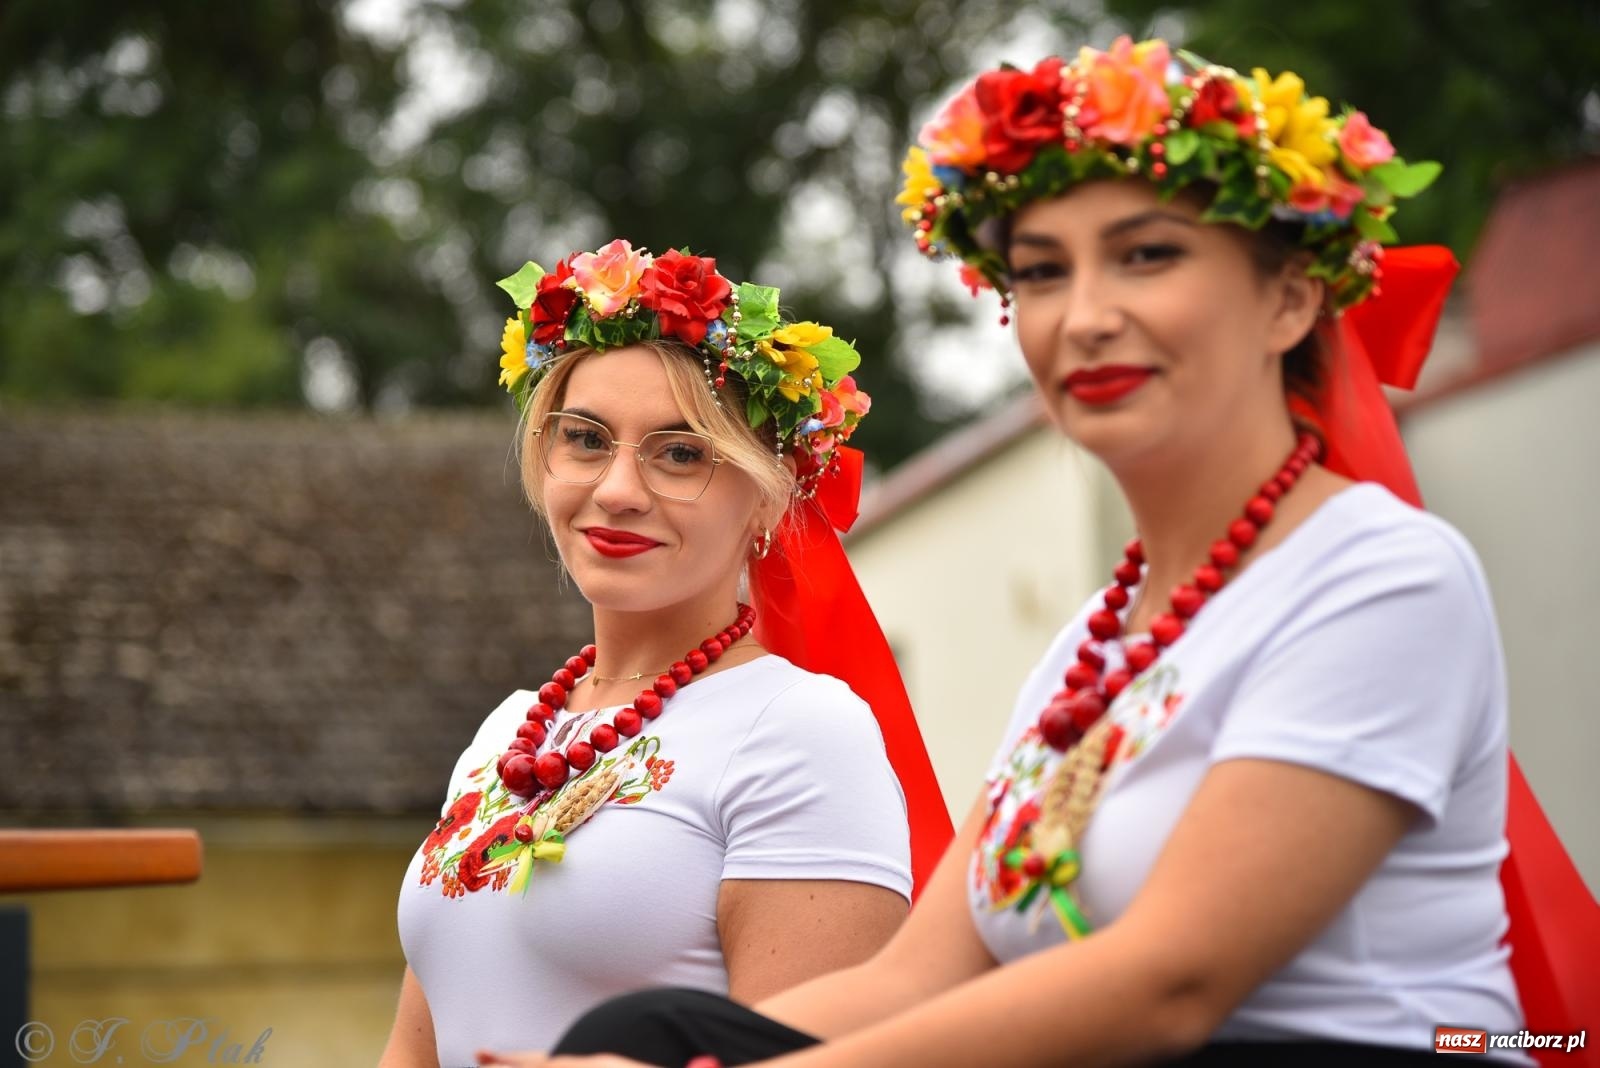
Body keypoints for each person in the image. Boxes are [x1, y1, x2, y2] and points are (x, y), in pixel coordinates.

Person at [489, 38, 1599, 1068]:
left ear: (1290, 299)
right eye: (1043, 273)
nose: (1086, 315)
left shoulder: (1379, 576)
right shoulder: (1088, 649)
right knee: (652, 1030)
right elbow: (916, 980)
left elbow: (1174, 981)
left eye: (1146, 255)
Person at [381, 240, 952, 1066]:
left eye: (681, 453)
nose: (617, 490)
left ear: (768, 498)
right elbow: (412, 1048)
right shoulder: (505, 733)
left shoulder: (797, 731)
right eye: (585, 439)